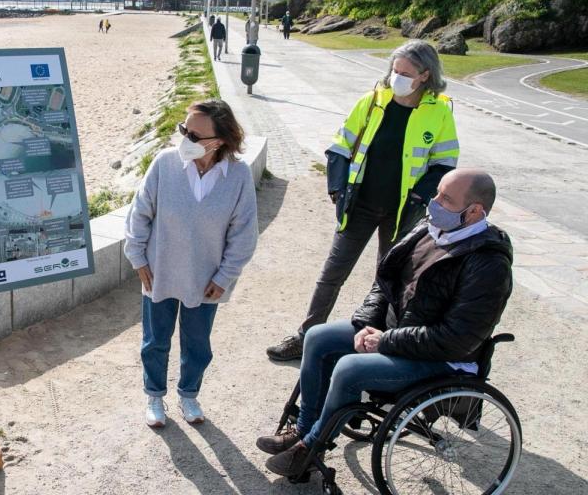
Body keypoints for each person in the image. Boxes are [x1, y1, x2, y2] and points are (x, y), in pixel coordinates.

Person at [257, 168, 513, 477]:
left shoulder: (488, 265)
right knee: (317, 337)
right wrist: (368, 323)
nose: (434, 203)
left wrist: (386, 341)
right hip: (395, 333)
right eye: (436, 194)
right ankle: (304, 428)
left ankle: (311, 447)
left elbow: (455, 338)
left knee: (349, 369)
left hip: (442, 359)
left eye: (445, 198)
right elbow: (386, 281)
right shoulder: (428, 228)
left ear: (474, 212)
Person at [266, 40, 460, 361]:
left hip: (403, 212)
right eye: (394, 70)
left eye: (405, 73)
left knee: (390, 280)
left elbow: (444, 163)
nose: (396, 77)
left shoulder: (439, 113)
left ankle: (380, 342)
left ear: (425, 75)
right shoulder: (372, 102)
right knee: (332, 273)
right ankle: (306, 336)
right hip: (360, 206)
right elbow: (340, 145)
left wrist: (418, 195)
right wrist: (337, 185)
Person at [125, 99, 259, 428]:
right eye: (184, 130)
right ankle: (154, 395)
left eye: (195, 136)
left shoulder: (238, 176)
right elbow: (139, 213)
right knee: (155, 340)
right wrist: (138, 257)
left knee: (198, 343)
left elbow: (244, 234)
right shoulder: (164, 164)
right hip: (159, 273)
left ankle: (188, 394)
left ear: (221, 140)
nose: (186, 139)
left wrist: (226, 275)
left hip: (206, 279)